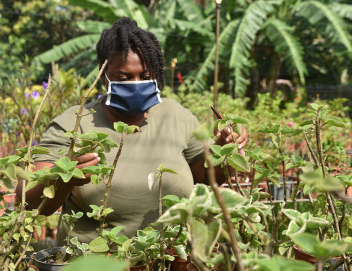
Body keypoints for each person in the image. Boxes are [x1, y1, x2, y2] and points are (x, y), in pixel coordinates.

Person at [16, 17, 248, 245]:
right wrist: (65, 176)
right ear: (104, 76)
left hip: (170, 256)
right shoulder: (74, 124)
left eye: (145, 77)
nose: (136, 84)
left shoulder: (176, 115)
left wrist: (225, 152)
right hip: (96, 260)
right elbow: (27, 201)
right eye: (124, 77)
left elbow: (203, 176)